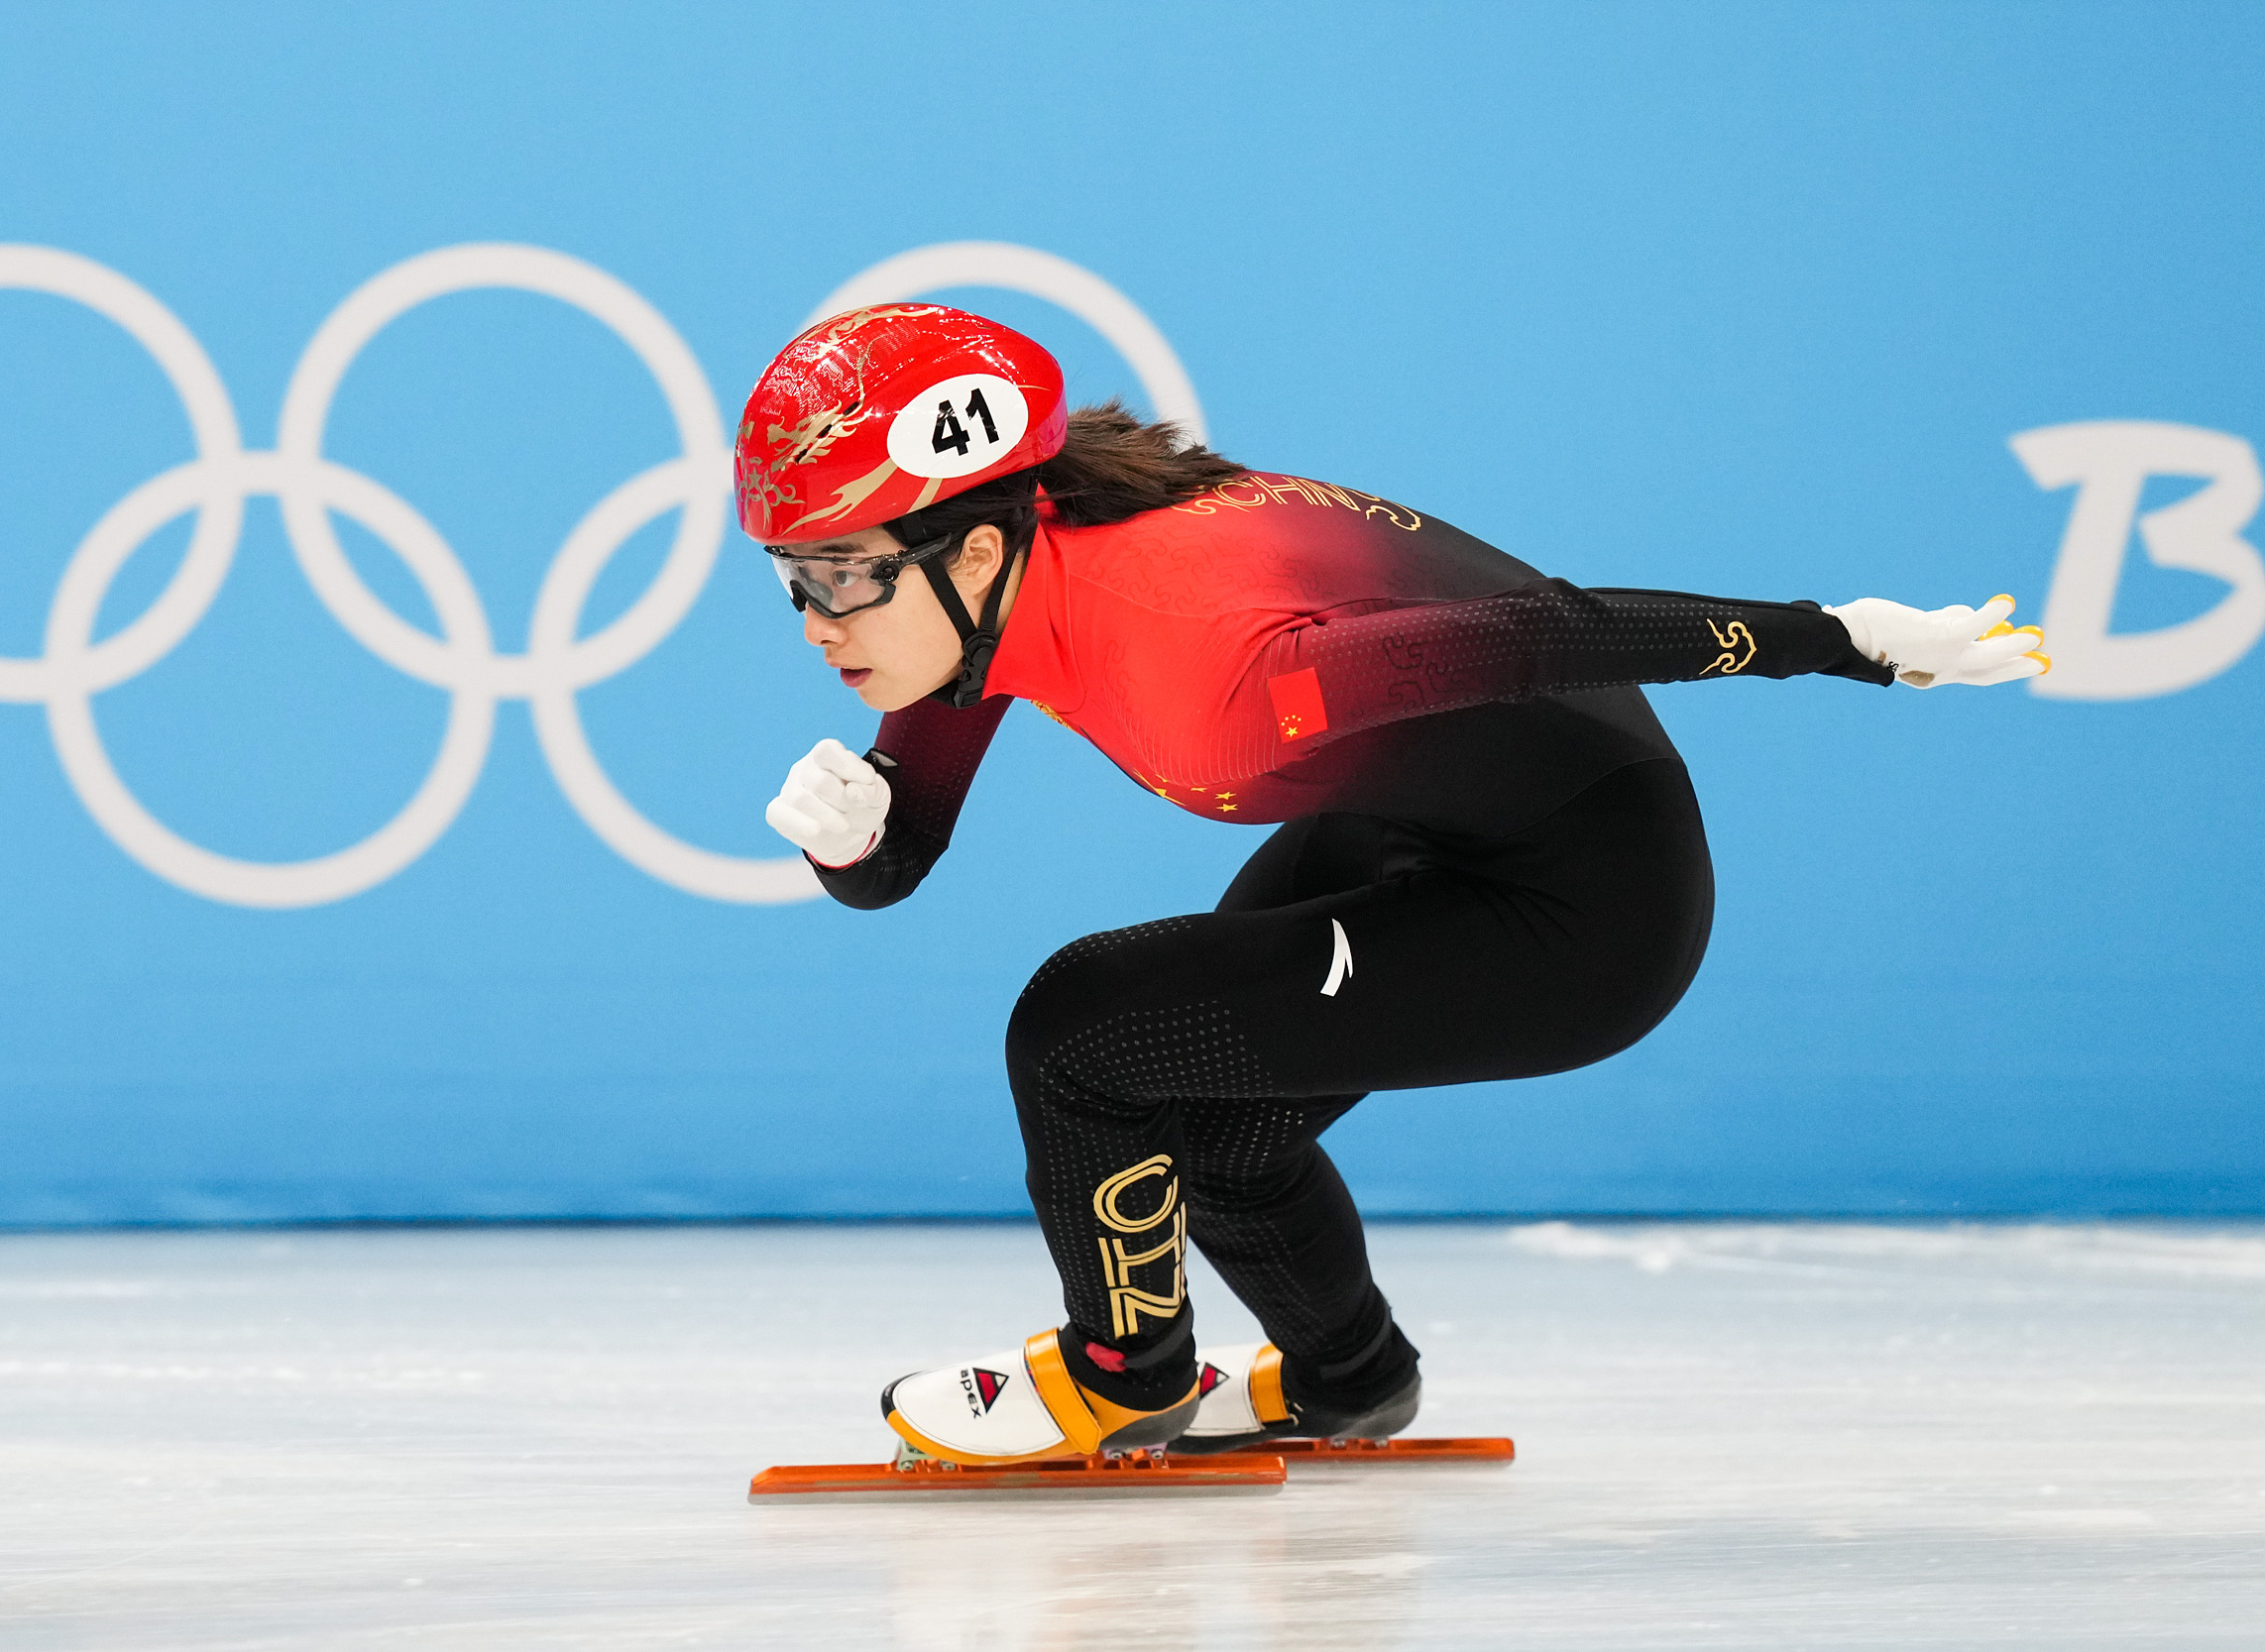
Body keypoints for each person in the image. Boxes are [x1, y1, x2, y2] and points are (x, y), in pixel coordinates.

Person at [741, 305, 2049, 1467]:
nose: (816, 621)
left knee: (1082, 1025)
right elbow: (900, 857)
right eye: (795, 578)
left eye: (845, 574)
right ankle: (1351, 1382)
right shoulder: (1009, 583)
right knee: (1212, 1123)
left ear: (972, 553)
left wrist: (1847, 640)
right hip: (1426, 830)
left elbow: (1555, 634)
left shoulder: (1225, 663)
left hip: (1588, 908)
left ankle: (1119, 1374)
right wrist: (858, 842)